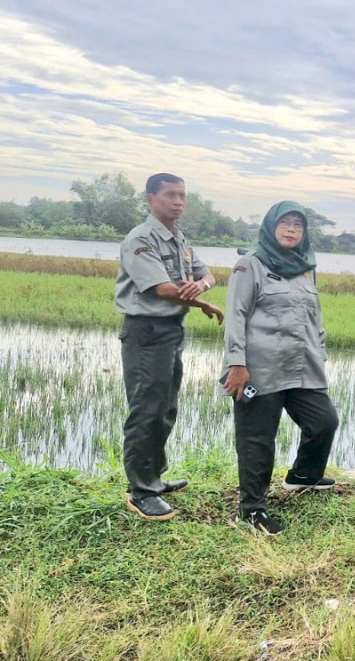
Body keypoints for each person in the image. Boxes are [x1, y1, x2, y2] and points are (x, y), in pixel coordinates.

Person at [221, 202, 340, 536]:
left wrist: (320, 351)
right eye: (285, 223)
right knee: (257, 439)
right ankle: (251, 510)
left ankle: (303, 475)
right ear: (271, 227)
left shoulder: (306, 268)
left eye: (298, 225)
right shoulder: (250, 264)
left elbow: (314, 316)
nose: (291, 230)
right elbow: (236, 316)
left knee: (324, 421)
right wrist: (237, 364)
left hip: (302, 365)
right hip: (259, 368)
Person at [115, 172, 224, 521]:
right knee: (146, 409)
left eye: (182, 196)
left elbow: (208, 274)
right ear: (150, 198)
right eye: (170, 195)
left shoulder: (179, 238)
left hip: (171, 330)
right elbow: (160, 288)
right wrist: (192, 291)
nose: (178, 201)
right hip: (146, 331)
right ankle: (140, 492)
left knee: (165, 408)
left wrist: (201, 292)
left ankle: (154, 477)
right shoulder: (140, 239)